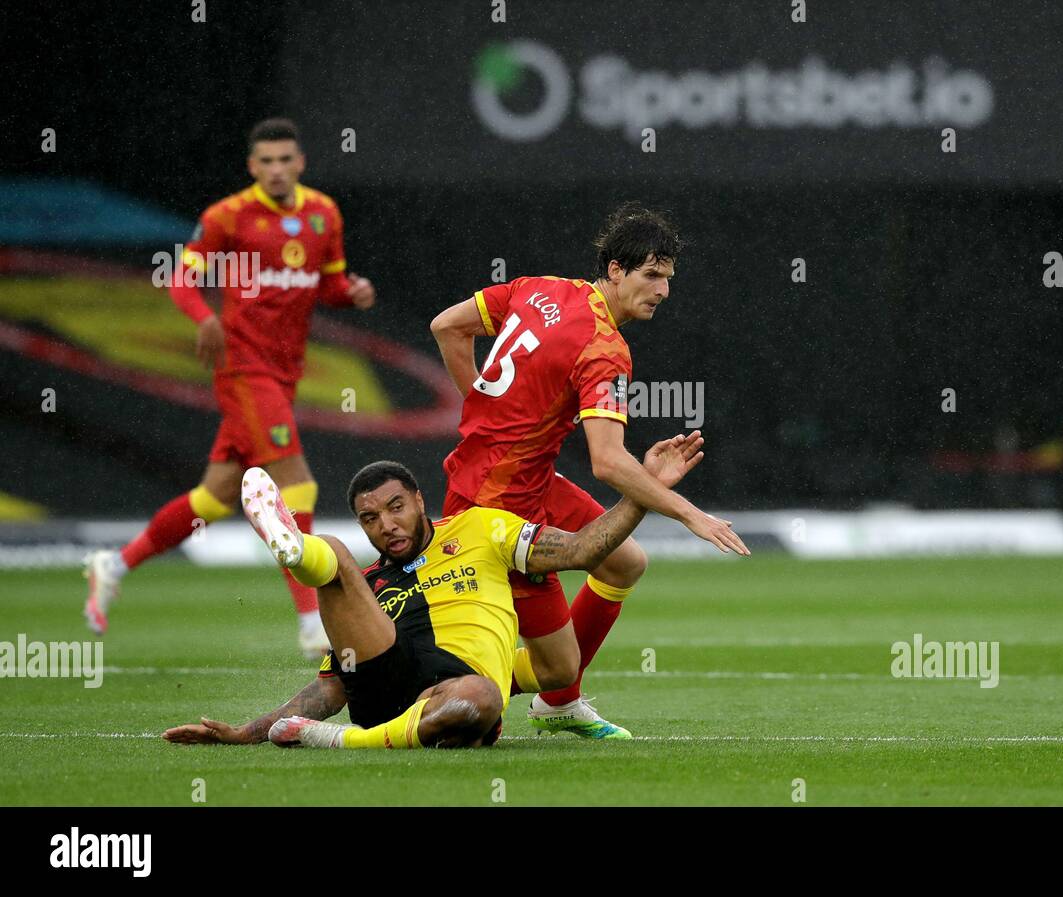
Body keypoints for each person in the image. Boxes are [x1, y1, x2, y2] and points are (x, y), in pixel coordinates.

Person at [162, 432, 703, 750]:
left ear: (420, 500)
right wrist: (246, 733)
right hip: (384, 676)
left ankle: (341, 744)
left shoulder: (483, 528)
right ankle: (298, 549)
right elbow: (330, 690)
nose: (386, 525)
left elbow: (585, 552)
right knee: (339, 561)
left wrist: (646, 492)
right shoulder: (373, 580)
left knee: (484, 696)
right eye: (370, 518)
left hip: (454, 698)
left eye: (396, 507)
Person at [429, 202, 748, 737]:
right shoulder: (605, 349)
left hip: (517, 474)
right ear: (616, 271)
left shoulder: (540, 288)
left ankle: (555, 704)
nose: (663, 290)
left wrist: (483, 409)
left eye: (668, 278)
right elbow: (608, 461)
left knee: (623, 562)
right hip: (499, 508)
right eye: (651, 275)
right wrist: (692, 515)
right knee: (557, 666)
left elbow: (446, 327)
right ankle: (449, 687)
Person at [84, 118, 376, 657]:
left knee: (212, 499)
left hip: (286, 373)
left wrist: (351, 291)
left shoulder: (323, 213)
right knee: (298, 482)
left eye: (285, 159)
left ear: (300, 162)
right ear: (252, 167)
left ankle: (113, 563)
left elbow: (328, 284)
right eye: (265, 161)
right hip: (242, 368)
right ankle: (313, 622)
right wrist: (203, 318)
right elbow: (182, 280)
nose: (276, 169)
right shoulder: (227, 217)